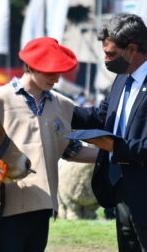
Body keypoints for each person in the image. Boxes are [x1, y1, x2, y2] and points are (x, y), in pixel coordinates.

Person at [0, 37, 98, 252]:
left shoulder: (64, 105)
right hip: (5, 206)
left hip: (44, 206)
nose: (55, 78)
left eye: (59, 72)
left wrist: (115, 156)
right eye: (49, 72)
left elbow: (71, 150)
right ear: (29, 66)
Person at [72, 13, 147, 251]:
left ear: (132, 49)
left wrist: (115, 146)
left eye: (111, 54)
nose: (105, 59)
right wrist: (57, 107)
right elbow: (100, 116)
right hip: (121, 188)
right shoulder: (122, 79)